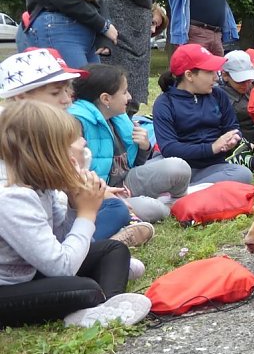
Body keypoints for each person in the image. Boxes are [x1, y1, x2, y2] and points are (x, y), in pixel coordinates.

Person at [0, 101, 151, 329]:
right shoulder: (13, 197)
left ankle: (107, 306)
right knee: (84, 288)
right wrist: (86, 213)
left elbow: (62, 241)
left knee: (114, 249)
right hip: (6, 289)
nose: (83, 143)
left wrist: (73, 205)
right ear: (49, 152)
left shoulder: (40, 184)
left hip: (31, 272)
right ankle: (97, 304)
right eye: (73, 140)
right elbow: (62, 267)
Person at [0, 48, 150, 247]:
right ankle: (98, 248)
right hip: (31, 236)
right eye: (55, 92)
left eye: (68, 91)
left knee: (120, 207)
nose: (67, 99)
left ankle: (97, 247)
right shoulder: (18, 139)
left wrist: (98, 189)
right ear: (20, 97)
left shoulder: (58, 128)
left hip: (62, 218)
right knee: (130, 209)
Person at [69, 64, 191, 221]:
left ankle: (176, 202)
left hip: (126, 181)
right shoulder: (77, 123)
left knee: (179, 167)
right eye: (124, 92)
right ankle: (162, 209)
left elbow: (131, 165)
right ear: (106, 98)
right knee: (152, 208)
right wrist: (108, 194)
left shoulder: (117, 117)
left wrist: (144, 147)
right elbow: (75, 179)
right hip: (100, 195)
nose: (129, 97)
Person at [152, 44, 253, 186]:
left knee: (243, 174)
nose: (216, 78)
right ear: (189, 75)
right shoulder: (165, 103)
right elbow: (169, 148)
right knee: (170, 170)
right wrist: (212, 148)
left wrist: (234, 138)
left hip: (214, 168)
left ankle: (185, 193)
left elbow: (233, 126)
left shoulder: (218, 95)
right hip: (180, 168)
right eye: (210, 72)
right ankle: (195, 192)